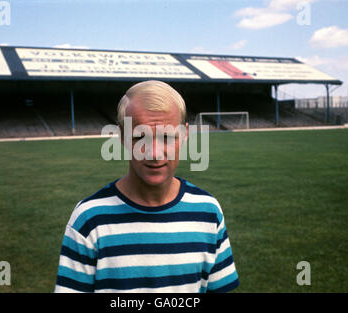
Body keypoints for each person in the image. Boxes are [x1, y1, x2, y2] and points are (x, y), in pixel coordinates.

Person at [54, 80, 239, 293]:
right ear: (121, 137)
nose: (154, 153)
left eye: (167, 137)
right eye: (140, 137)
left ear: (185, 135)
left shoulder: (208, 212)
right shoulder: (88, 219)